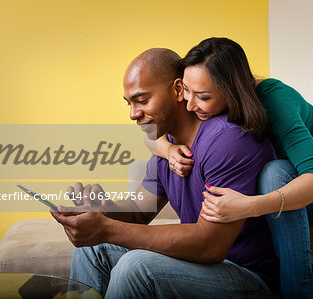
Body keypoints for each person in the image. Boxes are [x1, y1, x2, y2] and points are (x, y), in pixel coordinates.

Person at [51, 48, 281, 298]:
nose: (133, 114)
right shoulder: (167, 148)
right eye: (130, 103)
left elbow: (210, 244)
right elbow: (139, 213)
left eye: (142, 100)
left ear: (178, 90)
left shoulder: (227, 141)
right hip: (205, 268)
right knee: (93, 248)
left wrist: (107, 228)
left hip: (249, 279)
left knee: (137, 267)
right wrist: (104, 209)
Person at [155, 37, 313, 298]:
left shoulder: (274, 101)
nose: (190, 105)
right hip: (295, 185)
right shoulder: (205, 106)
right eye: (186, 92)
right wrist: (168, 150)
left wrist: (249, 205)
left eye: (203, 97)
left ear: (232, 90)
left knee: (275, 173)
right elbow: (152, 132)